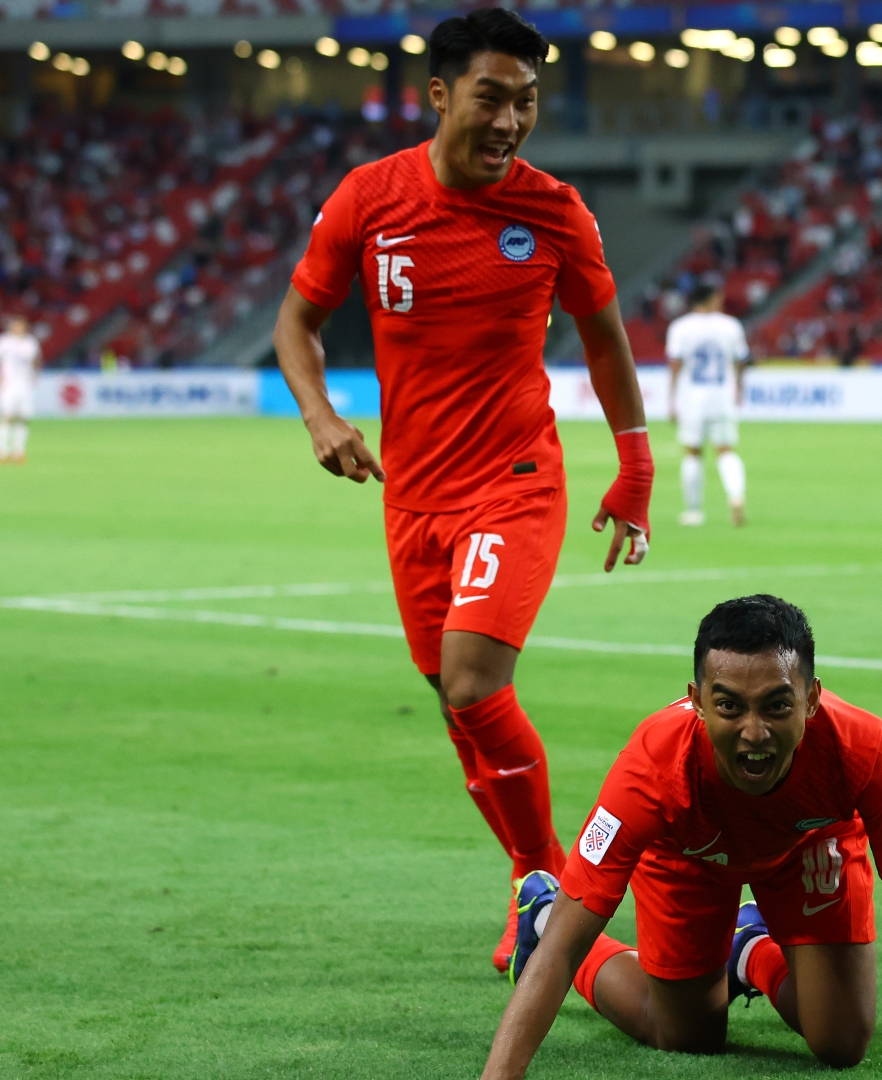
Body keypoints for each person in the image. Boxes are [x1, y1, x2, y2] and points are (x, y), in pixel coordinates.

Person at [272, 9, 654, 973]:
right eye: (492, 97)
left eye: (527, 102)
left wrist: (636, 464)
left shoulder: (555, 211)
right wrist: (320, 416)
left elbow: (605, 339)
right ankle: (536, 885)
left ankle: (554, 890)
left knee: (477, 684)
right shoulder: (370, 198)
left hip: (514, 481)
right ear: (440, 95)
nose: (511, 121)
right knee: (452, 700)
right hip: (412, 498)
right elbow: (296, 321)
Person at [480, 595, 882, 1080]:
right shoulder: (651, 771)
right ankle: (540, 913)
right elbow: (565, 947)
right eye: (729, 706)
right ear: (697, 701)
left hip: (807, 845)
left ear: (812, 699)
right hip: (687, 854)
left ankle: (748, 948)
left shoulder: (862, 748)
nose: (754, 732)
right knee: (686, 1035)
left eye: (776, 706)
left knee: (842, 1041)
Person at [665, 283, 750, 526]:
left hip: (692, 398)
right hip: (722, 397)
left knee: (693, 452)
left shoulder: (681, 327)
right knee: (726, 450)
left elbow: (675, 365)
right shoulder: (730, 326)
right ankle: (736, 496)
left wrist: (671, 399)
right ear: (711, 299)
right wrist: (739, 389)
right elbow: (740, 361)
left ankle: (694, 510)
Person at [0, 315, 40, 464]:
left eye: (22, 325)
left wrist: (34, 375)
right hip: (9, 385)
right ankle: (1, 450)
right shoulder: (3, 342)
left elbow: (36, 360)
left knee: (23, 417)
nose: (20, 328)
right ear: (11, 327)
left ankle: (19, 451)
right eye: (17, 325)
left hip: (25, 385)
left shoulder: (30, 342)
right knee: (6, 416)